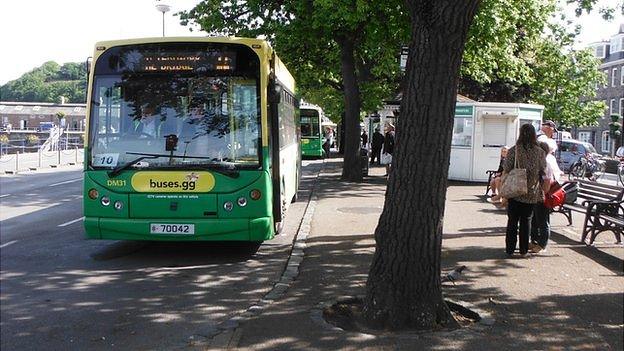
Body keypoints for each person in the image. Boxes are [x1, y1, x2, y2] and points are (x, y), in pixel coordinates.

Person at [503, 123, 547, 257]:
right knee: (526, 221)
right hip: (531, 192)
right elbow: (543, 169)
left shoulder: (514, 150)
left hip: (515, 191)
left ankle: (510, 249)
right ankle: (523, 250)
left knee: (512, 221)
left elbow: (506, 169)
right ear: (534, 135)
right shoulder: (540, 152)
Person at [530, 139, 562, 253]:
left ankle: (542, 244)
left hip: (542, 196)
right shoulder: (537, 162)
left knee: (543, 221)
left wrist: (541, 196)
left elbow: (547, 183)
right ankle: (534, 241)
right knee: (534, 219)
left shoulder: (546, 164)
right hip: (535, 195)